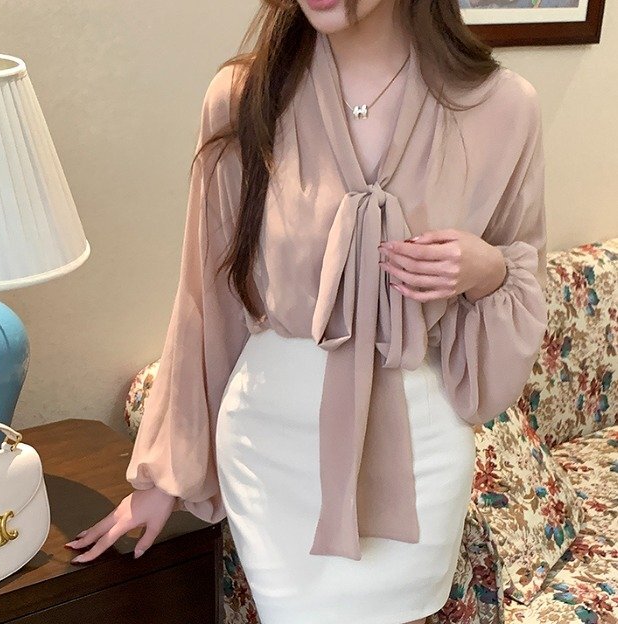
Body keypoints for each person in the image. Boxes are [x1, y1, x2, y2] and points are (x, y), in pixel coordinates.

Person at [66, 0, 549, 622]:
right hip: (270, 453)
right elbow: (205, 301)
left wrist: (490, 271)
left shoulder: (504, 109)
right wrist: (165, 478)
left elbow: (518, 296)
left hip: (420, 453)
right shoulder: (242, 97)